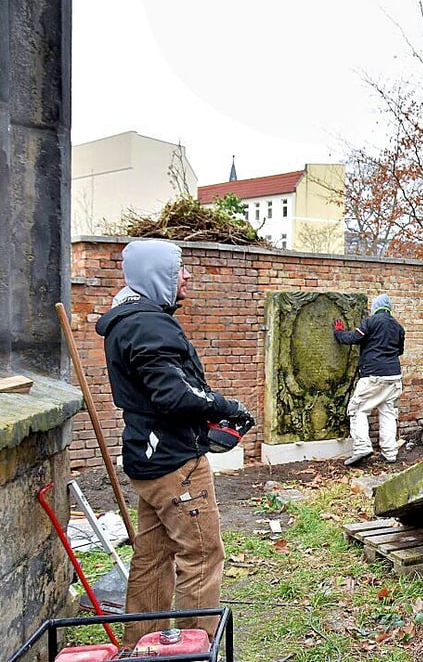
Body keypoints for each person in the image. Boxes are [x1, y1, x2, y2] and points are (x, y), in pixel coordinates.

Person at [95, 240, 253, 646]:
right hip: (175, 464)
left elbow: (163, 391)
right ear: (157, 275)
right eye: (179, 269)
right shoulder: (149, 324)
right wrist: (226, 406)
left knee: (151, 558)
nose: (187, 276)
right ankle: (195, 650)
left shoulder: (127, 320)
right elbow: (175, 395)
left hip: (146, 460)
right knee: (201, 556)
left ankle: (138, 648)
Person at [333, 293, 406, 465]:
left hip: (374, 375)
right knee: (387, 412)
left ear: (375, 307)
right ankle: (389, 453)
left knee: (357, 409)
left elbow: (353, 338)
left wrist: (338, 332)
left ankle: (362, 447)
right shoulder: (398, 327)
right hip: (394, 376)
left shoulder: (371, 321)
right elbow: (399, 351)